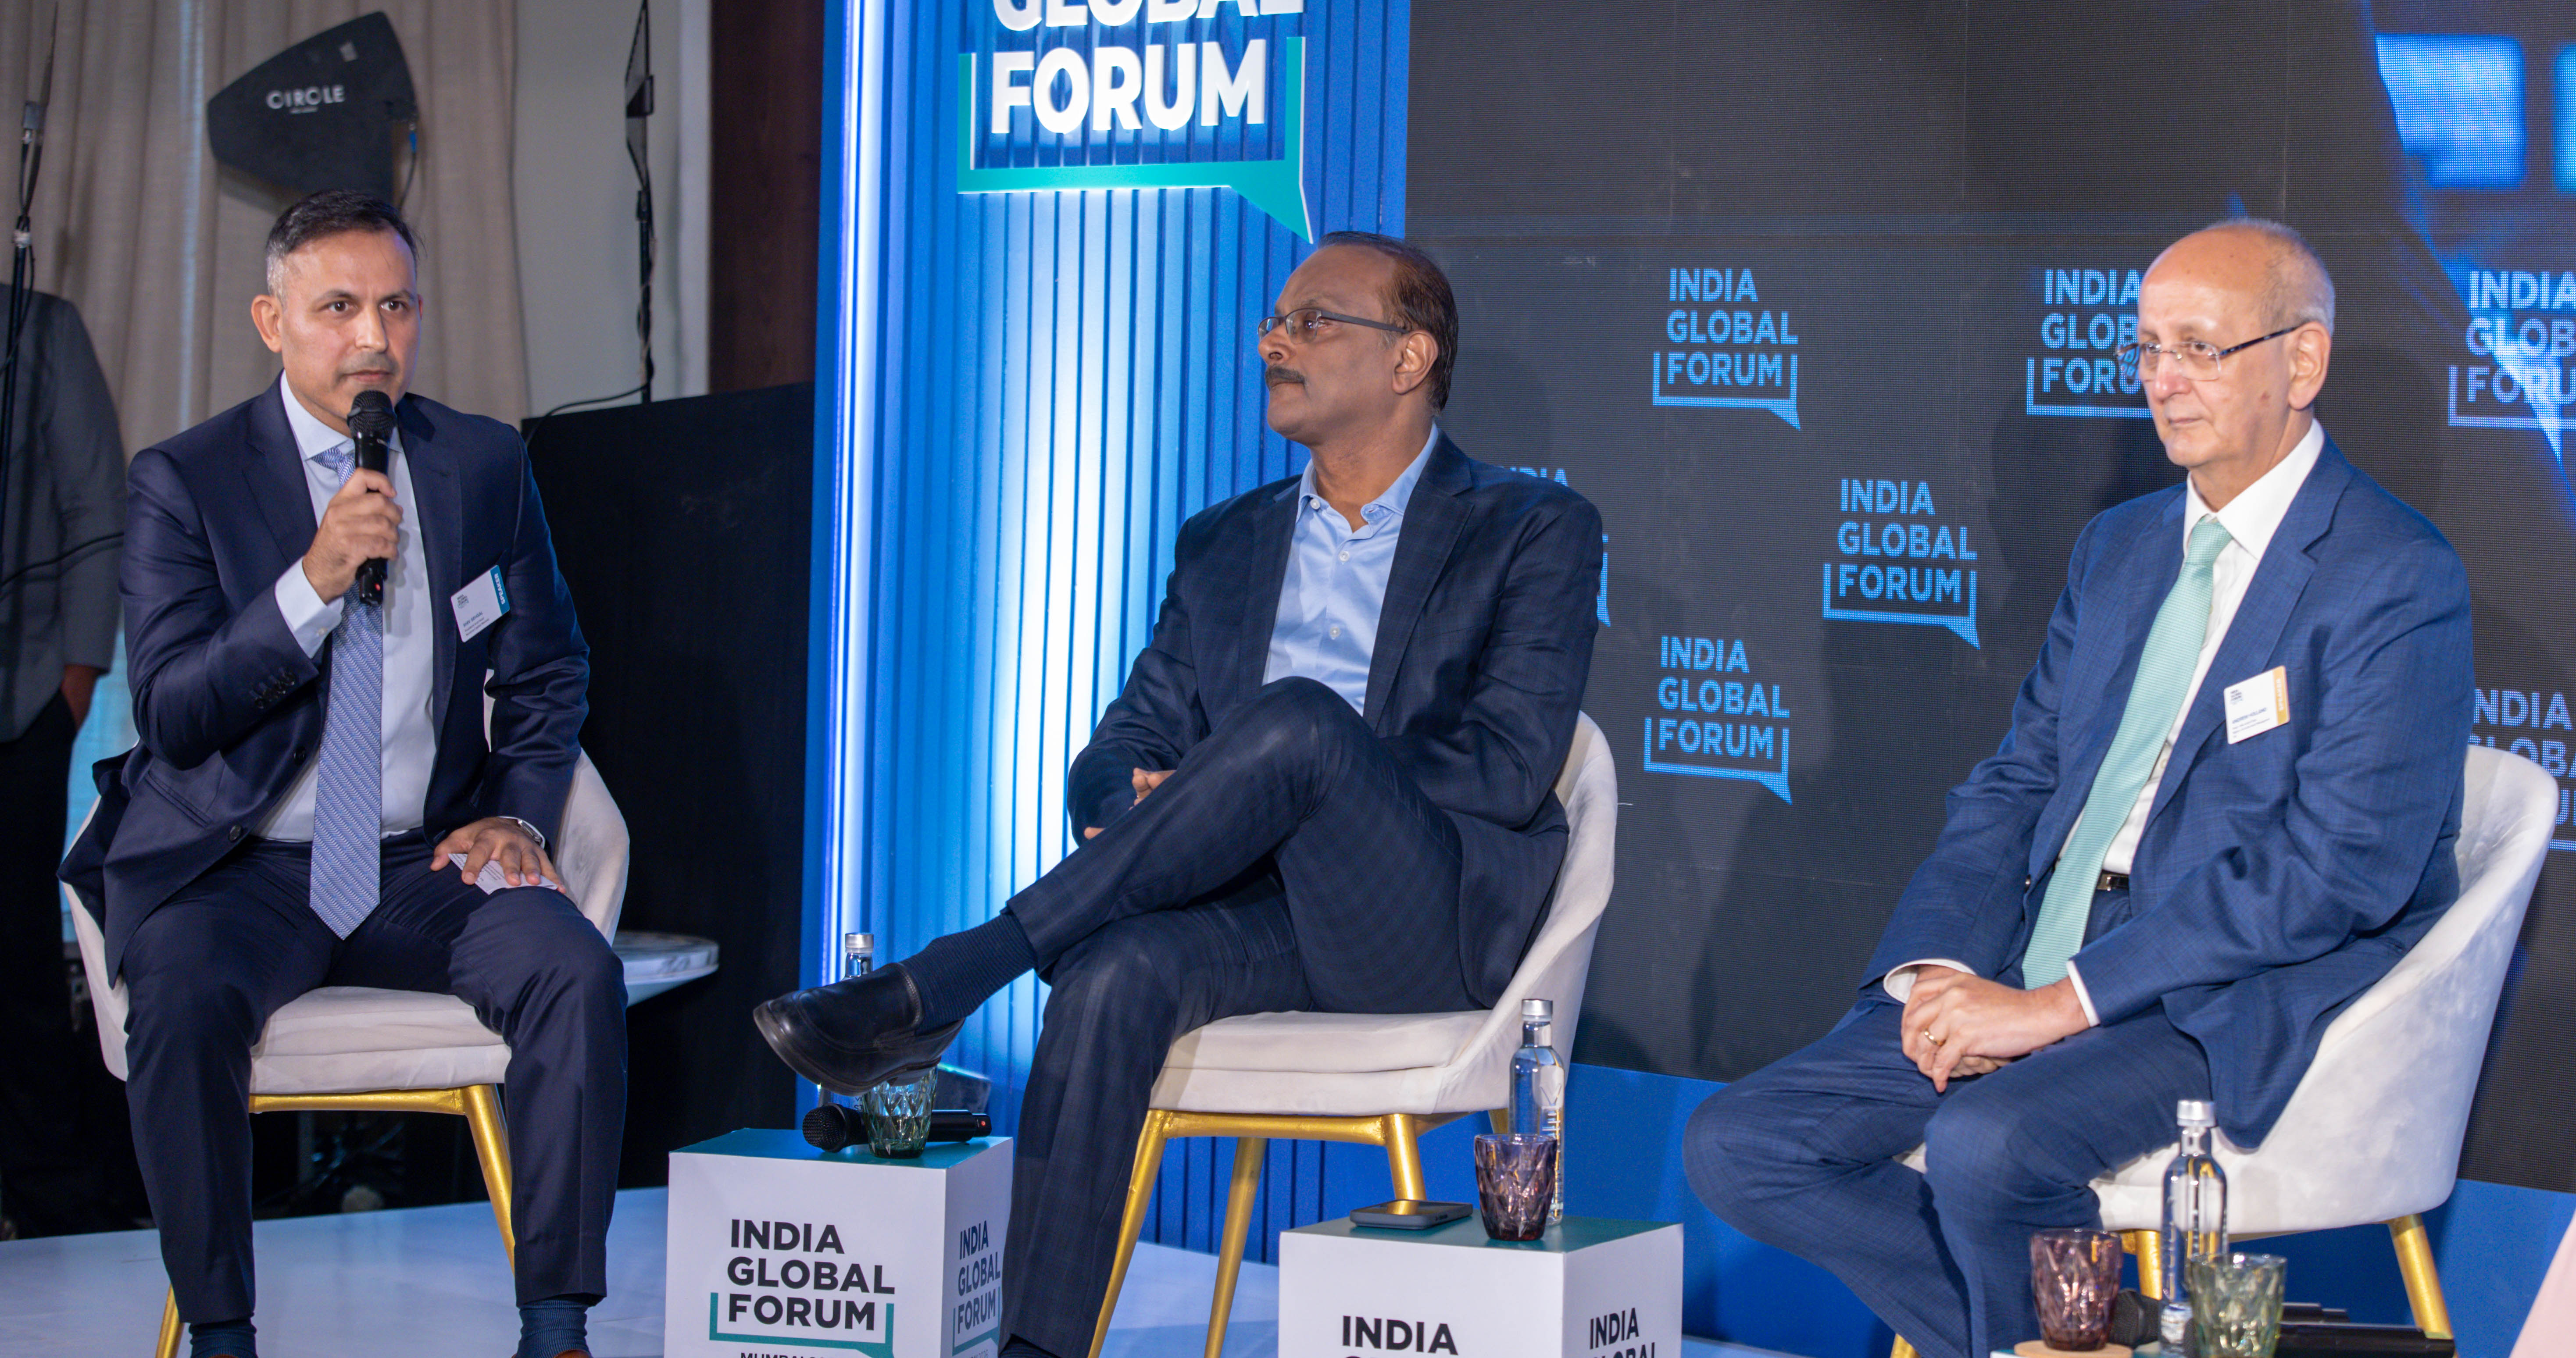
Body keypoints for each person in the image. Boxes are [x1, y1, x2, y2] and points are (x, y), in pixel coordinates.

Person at [756, 230, 1604, 1358]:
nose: (1273, 342)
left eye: (1312, 321)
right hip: (1253, 912)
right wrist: (1151, 798)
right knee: (1110, 972)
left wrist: (1289, 770)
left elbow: (1505, 762)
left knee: (1300, 723)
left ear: (1410, 358)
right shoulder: (1224, 541)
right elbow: (1124, 746)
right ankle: (1037, 1347)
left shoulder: (1532, 526)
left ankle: (952, 976)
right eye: (1274, 321)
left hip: (1419, 921)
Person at [1683, 220, 2472, 1358]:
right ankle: (2077, 1334)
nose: (2163, 379)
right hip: (2036, 955)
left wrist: (2065, 1003)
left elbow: (2335, 869)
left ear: (2302, 361)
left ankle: (2062, 1332)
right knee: (1743, 1141)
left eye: (2200, 347)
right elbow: (2019, 781)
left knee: (1990, 1145)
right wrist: (1942, 967)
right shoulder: (2121, 547)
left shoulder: (2393, 573)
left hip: (2215, 993)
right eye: (2147, 347)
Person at [59, 191, 624, 1358]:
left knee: (572, 967)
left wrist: (518, 816)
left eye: (397, 305)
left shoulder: (481, 461)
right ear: (272, 321)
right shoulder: (186, 478)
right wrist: (310, 584)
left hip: (422, 859)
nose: (374, 336)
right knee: (181, 997)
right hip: (241, 864)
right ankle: (222, 1330)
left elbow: (546, 665)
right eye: (339, 307)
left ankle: (557, 1324)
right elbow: (173, 710)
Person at [0, 285, 125, 1237]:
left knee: (17, 964)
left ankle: (50, 1202)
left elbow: (95, 507)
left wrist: (75, 680)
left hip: (23, 697)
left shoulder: (38, 329)